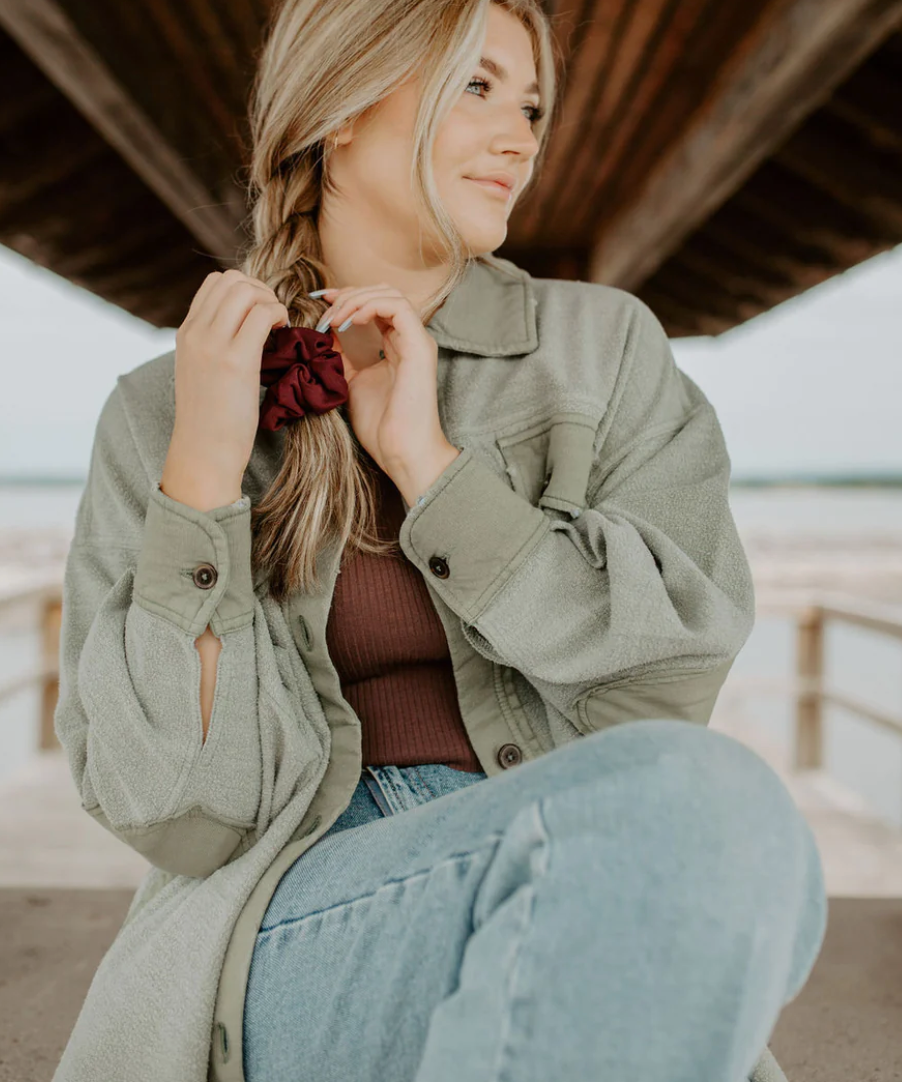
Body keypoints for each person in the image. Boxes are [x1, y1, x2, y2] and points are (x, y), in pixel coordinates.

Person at [51, 1, 828, 1080]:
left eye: (531, 104)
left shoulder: (601, 352)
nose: (520, 135)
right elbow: (179, 817)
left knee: (744, 841)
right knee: (716, 821)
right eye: (475, 86)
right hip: (290, 927)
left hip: (574, 854)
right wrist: (200, 478)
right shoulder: (159, 410)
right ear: (340, 111)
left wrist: (432, 468)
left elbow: (660, 689)